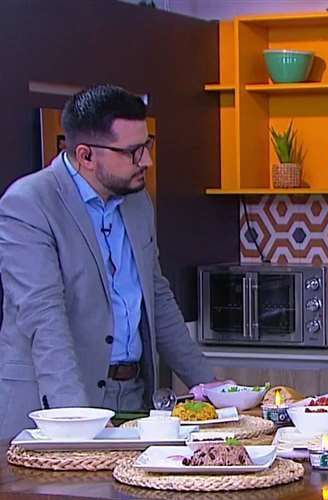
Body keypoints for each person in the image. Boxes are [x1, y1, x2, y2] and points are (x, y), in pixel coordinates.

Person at [0, 85, 218, 439]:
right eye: (133, 152)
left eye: (147, 146)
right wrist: (76, 420)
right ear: (86, 156)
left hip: (133, 396)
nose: (146, 161)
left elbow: (157, 297)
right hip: (53, 405)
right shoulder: (29, 204)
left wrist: (211, 387)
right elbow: (44, 318)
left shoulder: (137, 201)